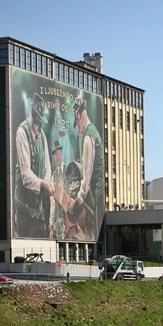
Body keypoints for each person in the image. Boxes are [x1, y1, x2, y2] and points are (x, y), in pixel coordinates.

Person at [13, 93, 53, 238]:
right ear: (33, 117)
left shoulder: (42, 136)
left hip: (38, 206)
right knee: (24, 239)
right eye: (38, 122)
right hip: (24, 205)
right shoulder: (22, 132)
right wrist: (43, 184)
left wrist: (48, 182)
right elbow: (26, 175)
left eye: (42, 122)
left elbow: (47, 166)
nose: (41, 126)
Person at [71, 98, 104, 240]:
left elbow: (87, 175)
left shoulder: (88, 138)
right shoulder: (93, 132)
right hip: (97, 193)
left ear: (82, 117)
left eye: (78, 123)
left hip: (94, 197)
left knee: (92, 232)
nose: (78, 128)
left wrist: (77, 200)